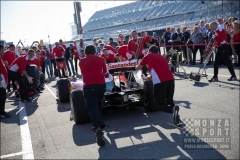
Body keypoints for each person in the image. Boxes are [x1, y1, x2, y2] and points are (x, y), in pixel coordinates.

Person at [135, 46, 182, 125]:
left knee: (159, 104)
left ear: (149, 51)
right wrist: (146, 78)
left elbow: (138, 68)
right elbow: (158, 72)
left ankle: (172, 110)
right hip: (170, 79)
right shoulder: (162, 57)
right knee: (169, 100)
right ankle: (177, 120)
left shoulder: (148, 56)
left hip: (160, 82)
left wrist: (136, 65)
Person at [79, 45, 107, 147]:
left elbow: (83, 72)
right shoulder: (101, 59)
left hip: (90, 85)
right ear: (95, 51)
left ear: (85, 52)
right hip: (101, 85)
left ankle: (98, 127)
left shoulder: (82, 61)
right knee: (99, 103)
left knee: (92, 107)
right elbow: (105, 72)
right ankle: (98, 124)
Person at [0, 44, 11, 118]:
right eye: (3, 49)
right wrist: (1, 81)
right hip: (1, 82)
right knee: (2, 97)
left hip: (2, 80)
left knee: (3, 97)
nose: (4, 51)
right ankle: (1, 113)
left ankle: (2, 111)